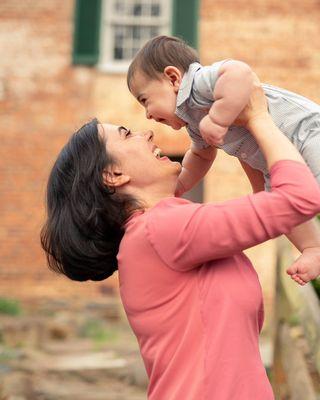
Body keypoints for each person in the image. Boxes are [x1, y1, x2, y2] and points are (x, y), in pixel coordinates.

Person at [41, 83, 320, 399]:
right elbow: (298, 198)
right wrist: (257, 116)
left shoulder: (162, 230)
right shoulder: (160, 230)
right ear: (113, 175)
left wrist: (241, 139)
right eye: (125, 134)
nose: (146, 133)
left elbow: (271, 201)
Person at [126, 35, 320, 285]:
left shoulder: (199, 83)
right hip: (278, 161)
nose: (147, 115)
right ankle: (313, 249)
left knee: (308, 194)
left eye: (145, 100)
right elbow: (200, 154)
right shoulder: (193, 122)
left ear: (174, 78)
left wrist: (218, 118)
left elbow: (240, 74)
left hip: (305, 133)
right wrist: (181, 185)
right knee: (283, 209)